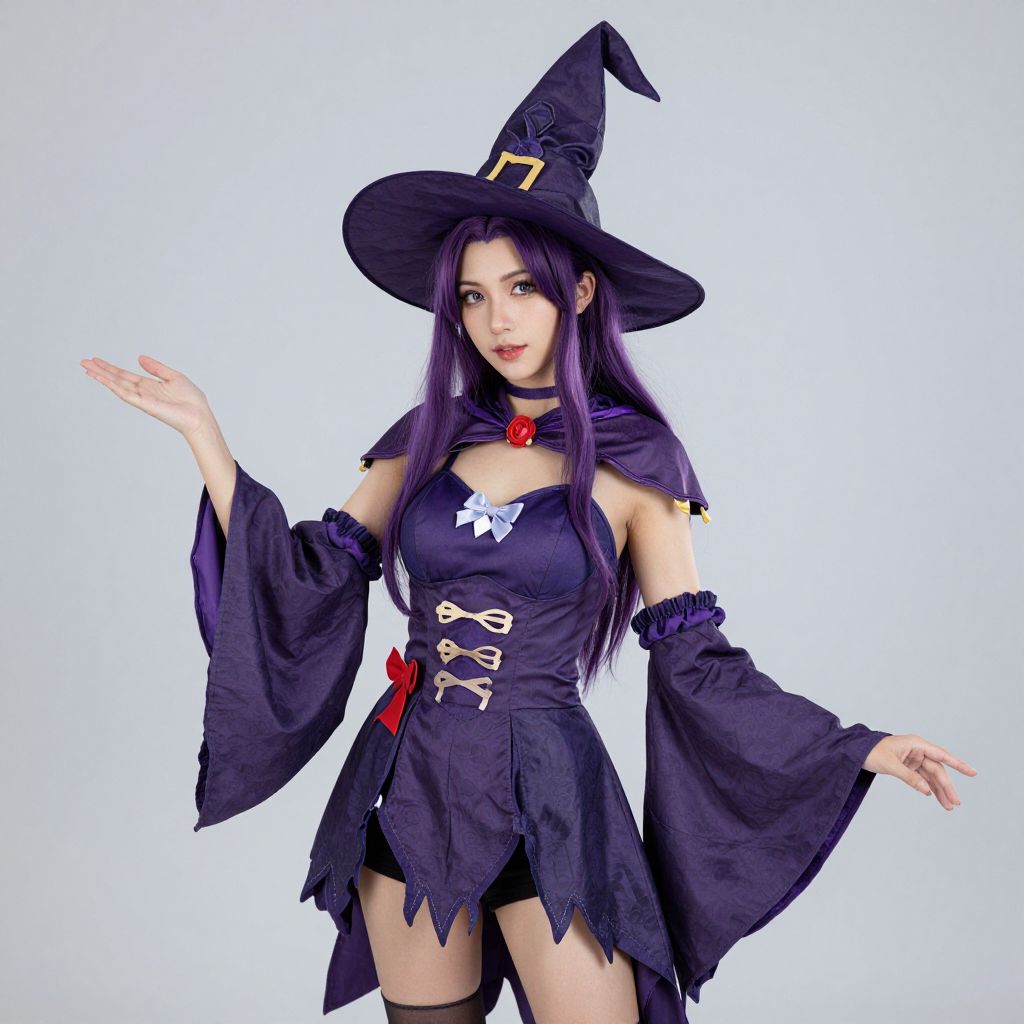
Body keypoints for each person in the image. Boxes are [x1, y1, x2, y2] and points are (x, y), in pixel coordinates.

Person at [80, 21, 975, 1024]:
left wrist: (853, 748)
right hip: (410, 791)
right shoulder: (423, 442)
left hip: (556, 808)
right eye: (472, 295)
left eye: (523, 287)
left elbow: (697, 664)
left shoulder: (637, 466)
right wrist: (207, 440)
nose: (497, 318)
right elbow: (306, 581)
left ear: (580, 290)